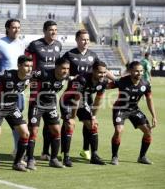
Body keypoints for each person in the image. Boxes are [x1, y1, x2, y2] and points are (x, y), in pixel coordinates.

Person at [62, 29, 115, 161]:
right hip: (72, 95)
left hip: (87, 95)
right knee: (69, 123)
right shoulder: (69, 55)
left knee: (90, 122)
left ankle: (88, 151)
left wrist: (116, 80)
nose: (86, 42)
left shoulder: (93, 55)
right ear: (77, 40)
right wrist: (70, 77)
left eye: (87, 39)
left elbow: (103, 70)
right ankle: (64, 153)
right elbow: (61, 70)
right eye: (83, 39)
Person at [0, 55, 33, 174]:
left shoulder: (29, 77)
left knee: (25, 133)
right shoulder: (8, 75)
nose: (29, 68)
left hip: (11, 107)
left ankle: (17, 162)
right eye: (26, 66)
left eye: (30, 66)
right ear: (19, 66)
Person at [25, 20, 62, 161]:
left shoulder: (58, 45)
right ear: (45, 31)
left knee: (50, 123)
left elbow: (59, 65)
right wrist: (31, 75)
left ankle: (46, 152)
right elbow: (26, 61)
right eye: (51, 30)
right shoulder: (35, 45)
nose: (54, 32)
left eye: (56, 30)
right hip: (37, 87)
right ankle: (28, 156)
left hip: (52, 87)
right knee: (34, 125)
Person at [60, 61, 108, 167]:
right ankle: (66, 157)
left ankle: (94, 156)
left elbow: (98, 99)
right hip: (68, 100)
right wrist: (72, 117)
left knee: (93, 124)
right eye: (100, 72)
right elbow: (75, 99)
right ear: (94, 71)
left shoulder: (104, 81)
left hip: (81, 100)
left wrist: (93, 116)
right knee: (70, 125)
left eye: (104, 72)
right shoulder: (82, 80)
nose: (103, 75)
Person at [109, 61, 157, 165]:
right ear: (130, 71)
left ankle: (142, 157)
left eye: (141, 71)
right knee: (119, 130)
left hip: (134, 109)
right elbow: (106, 86)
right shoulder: (122, 81)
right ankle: (114, 156)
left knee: (148, 132)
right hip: (120, 109)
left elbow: (150, 100)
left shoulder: (145, 84)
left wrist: (154, 116)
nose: (139, 73)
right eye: (136, 71)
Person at [26, 58, 70, 170]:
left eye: (67, 69)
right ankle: (30, 159)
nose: (66, 71)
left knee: (56, 130)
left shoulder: (66, 77)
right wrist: (32, 90)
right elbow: (27, 74)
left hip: (51, 105)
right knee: (33, 132)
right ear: (56, 67)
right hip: (37, 105)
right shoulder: (43, 72)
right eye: (63, 68)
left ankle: (54, 159)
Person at [0, 18, 26, 157]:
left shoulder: (21, 44)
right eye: (14, 27)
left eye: (18, 27)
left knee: (17, 120)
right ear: (7, 28)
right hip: (1, 90)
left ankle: (16, 149)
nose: (16, 30)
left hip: (17, 89)